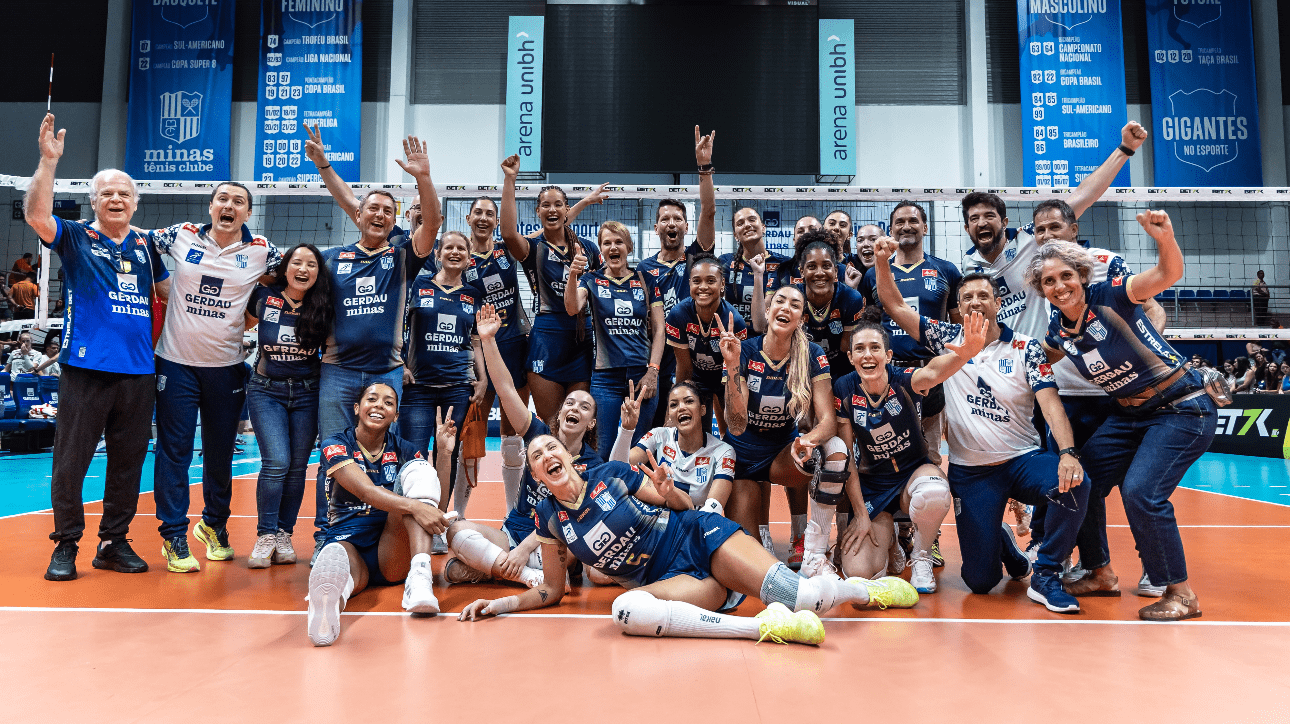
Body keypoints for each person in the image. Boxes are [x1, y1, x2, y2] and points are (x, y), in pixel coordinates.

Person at [457, 440, 921, 644]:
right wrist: (499, 606)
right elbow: (551, 591)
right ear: (537, 475)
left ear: (569, 457)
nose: (545, 456)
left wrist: (669, 491)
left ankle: (866, 592)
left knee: (804, 598)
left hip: (698, 536)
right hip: (670, 579)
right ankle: (759, 628)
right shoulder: (550, 519)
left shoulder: (613, 476)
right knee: (625, 610)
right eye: (536, 457)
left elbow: (679, 506)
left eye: (550, 448)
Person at [877, 250, 1092, 611]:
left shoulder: (1025, 348)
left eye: (982, 295)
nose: (975, 302)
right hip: (972, 473)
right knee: (980, 582)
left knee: (1075, 484)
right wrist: (884, 262)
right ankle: (1003, 541)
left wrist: (1068, 453)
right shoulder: (946, 338)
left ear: (997, 302)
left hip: (1022, 460)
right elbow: (895, 306)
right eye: (966, 298)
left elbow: (1051, 405)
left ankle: (1046, 574)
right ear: (958, 308)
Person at [1027, 212, 1216, 621]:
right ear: (1042, 291)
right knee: (1082, 482)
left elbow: (1169, 273)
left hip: (1181, 408)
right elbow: (1033, 360)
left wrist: (1164, 237)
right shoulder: (1059, 331)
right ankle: (1100, 573)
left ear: (1081, 275)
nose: (1059, 286)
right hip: (1129, 415)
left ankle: (1180, 593)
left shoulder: (1114, 294)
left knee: (1141, 494)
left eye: (1066, 276)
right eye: (1049, 282)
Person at [25, 113, 170, 581]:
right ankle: (65, 544)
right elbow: (36, 215)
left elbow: (171, 295)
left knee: (128, 464)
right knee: (71, 461)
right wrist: (48, 163)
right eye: (106, 193)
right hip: (86, 368)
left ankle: (113, 542)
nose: (115, 199)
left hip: (139, 372)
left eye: (124, 193)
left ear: (135, 203)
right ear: (93, 201)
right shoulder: (76, 237)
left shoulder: (148, 246)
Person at [306, 131, 441, 560]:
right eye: (372, 209)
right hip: (337, 370)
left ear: (395, 220)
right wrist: (325, 167)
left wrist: (424, 177)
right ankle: (325, 533)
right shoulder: (331, 259)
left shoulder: (400, 256)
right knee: (333, 453)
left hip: (385, 372)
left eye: (388, 211)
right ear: (357, 215)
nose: (380, 215)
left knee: (385, 453)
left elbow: (432, 225)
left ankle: (388, 532)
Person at [145, 182, 283, 573]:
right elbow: (138, 248)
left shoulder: (262, 251)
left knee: (220, 453)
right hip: (175, 363)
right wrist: (161, 288)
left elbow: (286, 285)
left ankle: (213, 525)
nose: (229, 205)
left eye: (238, 201)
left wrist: (251, 318)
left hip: (226, 368)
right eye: (223, 199)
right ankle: (173, 534)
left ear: (247, 213)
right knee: (175, 451)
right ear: (211, 206)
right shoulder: (180, 235)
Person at [439, 303, 602, 587]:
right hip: (513, 533)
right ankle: (527, 576)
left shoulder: (592, 465)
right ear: (561, 412)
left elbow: (572, 521)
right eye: (569, 403)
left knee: (573, 540)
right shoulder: (537, 433)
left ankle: (491, 568)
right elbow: (505, 388)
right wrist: (488, 340)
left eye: (584, 406)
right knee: (456, 531)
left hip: (552, 541)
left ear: (591, 423)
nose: (574, 407)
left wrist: (525, 550)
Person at [831, 318, 985, 592]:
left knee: (934, 492)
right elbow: (848, 459)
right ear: (851, 356)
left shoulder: (904, 381)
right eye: (860, 349)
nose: (868, 355)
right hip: (874, 487)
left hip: (913, 475)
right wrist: (860, 514)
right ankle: (888, 539)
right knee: (859, 574)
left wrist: (964, 353)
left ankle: (922, 555)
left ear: (888, 356)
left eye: (875, 348)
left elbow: (933, 372)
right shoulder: (844, 388)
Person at [306, 383, 456, 646]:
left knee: (420, 472)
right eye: (372, 399)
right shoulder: (336, 444)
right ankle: (329, 605)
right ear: (357, 408)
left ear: (396, 415)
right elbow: (365, 490)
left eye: (388, 403)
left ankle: (419, 577)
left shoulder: (406, 451)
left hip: (392, 545)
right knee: (342, 568)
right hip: (348, 541)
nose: (378, 406)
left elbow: (435, 508)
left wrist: (443, 453)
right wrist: (416, 506)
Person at [719, 285, 852, 577]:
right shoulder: (746, 350)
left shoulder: (811, 354)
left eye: (794, 305)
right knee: (750, 557)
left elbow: (828, 421)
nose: (785, 308)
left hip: (781, 451)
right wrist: (731, 368)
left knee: (818, 455)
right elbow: (737, 425)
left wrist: (807, 440)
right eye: (779, 301)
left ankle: (808, 540)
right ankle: (763, 537)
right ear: (767, 312)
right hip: (743, 457)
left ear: (801, 319)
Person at [244, 243, 332, 569]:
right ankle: (265, 534)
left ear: (318, 272)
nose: (303, 269)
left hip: (309, 393)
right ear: (286, 267)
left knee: (296, 467)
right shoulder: (264, 296)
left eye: (311, 264)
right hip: (266, 390)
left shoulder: (323, 304)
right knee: (277, 461)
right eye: (297, 262)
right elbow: (242, 324)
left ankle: (284, 534)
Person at [499, 157, 605, 428]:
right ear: (537, 211)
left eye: (558, 204)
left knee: (578, 425)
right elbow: (509, 232)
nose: (552, 209)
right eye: (545, 205)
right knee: (550, 425)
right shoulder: (534, 249)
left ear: (567, 209)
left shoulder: (589, 249)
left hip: (581, 341)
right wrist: (510, 179)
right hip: (547, 340)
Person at [858, 201, 962, 472]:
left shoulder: (946, 270)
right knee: (884, 458)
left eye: (913, 221)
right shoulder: (874, 275)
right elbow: (868, 325)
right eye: (899, 222)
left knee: (928, 457)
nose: (906, 226)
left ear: (925, 227)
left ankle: (923, 511)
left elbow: (959, 330)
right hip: (886, 376)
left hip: (931, 374)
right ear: (890, 230)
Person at [402, 231, 486, 518]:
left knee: (446, 455)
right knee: (413, 455)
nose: (454, 252)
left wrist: (482, 377)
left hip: (457, 388)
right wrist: (400, 364)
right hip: (418, 387)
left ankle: (437, 518)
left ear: (468, 256)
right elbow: (400, 330)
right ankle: (412, 517)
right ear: (437, 254)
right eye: (448, 247)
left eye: (461, 248)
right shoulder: (417, 286)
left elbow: (477, 340)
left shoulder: (473, 295)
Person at [565, 221, 665, 453]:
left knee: (639, 449)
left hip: (642, 375)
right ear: (601, 249)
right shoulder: (590, 279)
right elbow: (572, 307)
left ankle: (633, 489)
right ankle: (606, 490)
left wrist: (653, 371)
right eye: (607, 243)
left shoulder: (646, 280)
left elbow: (660, 330)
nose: (613, 247)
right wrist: (572, 275)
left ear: (629, 247)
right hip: (605, 378)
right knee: (602, 448)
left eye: (619, 242)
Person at [610, 380, 737, 517]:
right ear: (670, 413)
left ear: (702, 409)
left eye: (689, 401)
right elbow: (617, 469)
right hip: (658, 520)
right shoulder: (658, 435)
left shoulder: (723, 451)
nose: (681, 408)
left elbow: (714, 507)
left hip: (698, 523)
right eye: (674, 404)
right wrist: (626, 430)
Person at [666, 254, 747, 435]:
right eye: (697, 281)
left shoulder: (735, 321)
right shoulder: (677, 315)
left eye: (711, 281)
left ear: (722, 285)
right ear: (690, 284)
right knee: (693, 434)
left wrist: (723, 400)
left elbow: (735, 370)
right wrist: (679, 402)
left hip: (725, 378)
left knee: (732, 433)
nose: (703, 287)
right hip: (696, 378)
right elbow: (684, 367)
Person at [789, 231, 867, 382]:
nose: (819, 273)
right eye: (811, 266)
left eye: (826, 266)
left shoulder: (851, 298)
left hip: (839, 370)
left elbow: (845, 348)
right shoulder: (792, 298)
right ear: (802, 271)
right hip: (800, 369)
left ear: (836, 270)